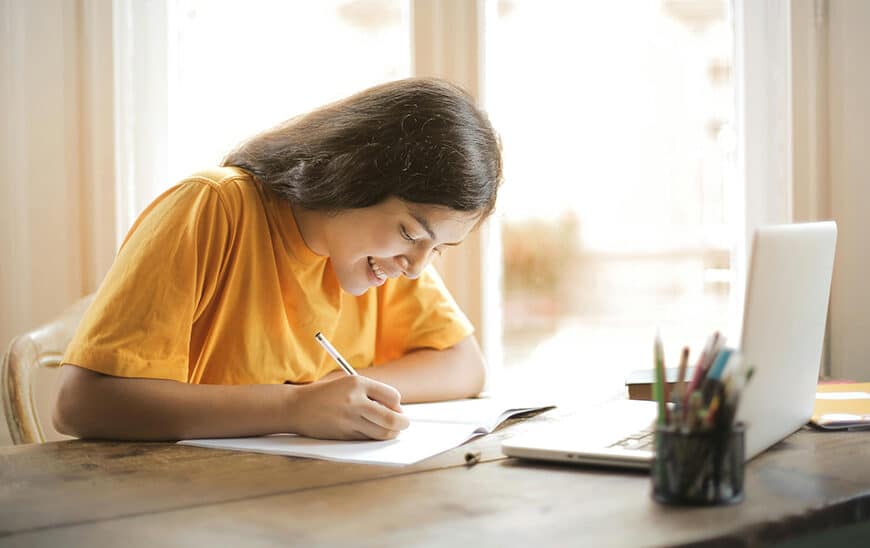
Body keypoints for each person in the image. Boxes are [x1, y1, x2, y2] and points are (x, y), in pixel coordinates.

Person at [53, 77, 502, 443]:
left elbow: (464, 365)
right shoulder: (213, 207)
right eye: (410, 234)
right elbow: (80, 403)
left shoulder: (383, 259)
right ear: (354, 177)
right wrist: (294, 407)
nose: (417, 267)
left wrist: (339, 393)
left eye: (437, 249)